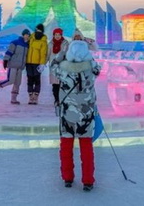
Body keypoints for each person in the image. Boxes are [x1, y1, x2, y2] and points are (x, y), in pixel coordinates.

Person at [51, 40, 102, 192]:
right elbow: (97, 67)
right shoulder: (91, 70)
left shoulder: (62, 70)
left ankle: (67, 177)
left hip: (67, 114)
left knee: (66, 147)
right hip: (86, 115)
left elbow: (52, 65)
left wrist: (62, 53)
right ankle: (88, 180)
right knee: (86, 148)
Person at [0, 29, 30, 105]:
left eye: (28, 35)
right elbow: (9, 52)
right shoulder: (15, 43)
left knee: (17, 83)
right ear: (23, 35)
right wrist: (5, 60)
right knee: (10, 80)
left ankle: (13, 99)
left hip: (20, 67)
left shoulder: (27, 45)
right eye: (26, 35)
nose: (27, 36)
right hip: (13, 65)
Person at [25, 23, 48, 105]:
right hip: (28, 63)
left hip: (37, 63)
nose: (38, 31)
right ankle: (31, 97)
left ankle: (36, 97)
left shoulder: (43, 41)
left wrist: (42, 64)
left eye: (40, 30)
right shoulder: (31, 38)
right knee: (30, 80)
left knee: (37, 80)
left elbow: (43, 53)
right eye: (37, 29)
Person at [48, 27, 69, 105]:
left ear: (61, 35)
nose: (57, 36)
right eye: (56, 35)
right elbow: (48, 54)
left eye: (59, 35)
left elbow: (68, 54)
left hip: (63, 66)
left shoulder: (65, 43)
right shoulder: (50, 44)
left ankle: (62, 99)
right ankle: (56, 99)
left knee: (62, 83)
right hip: (53, 67)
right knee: (55, 85)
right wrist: (43, 63)